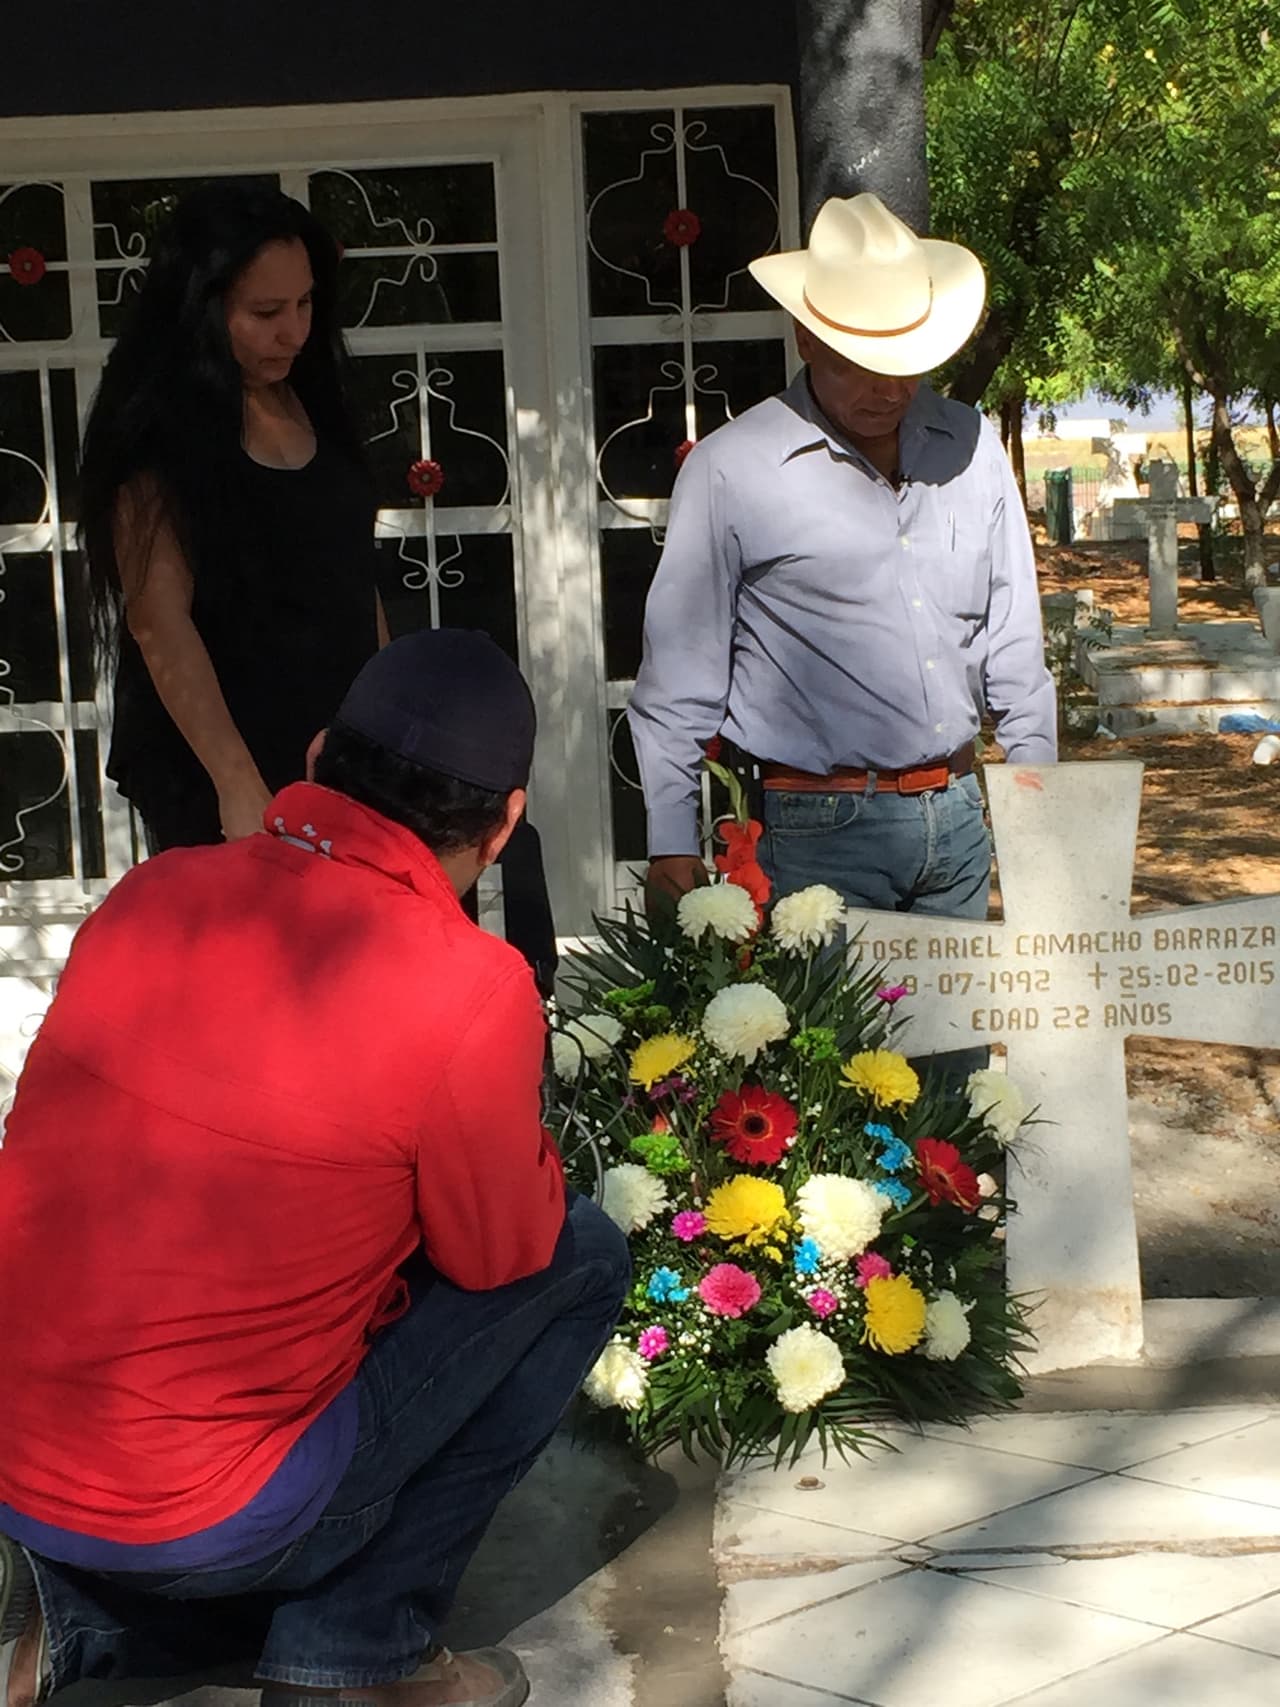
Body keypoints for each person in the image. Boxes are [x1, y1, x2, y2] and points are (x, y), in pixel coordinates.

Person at [0, 628, 630, 1707]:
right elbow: (498, 1257)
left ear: (318, 751)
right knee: (577, 1252)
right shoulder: (467, 989)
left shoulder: (155, 893)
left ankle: (75, 1617)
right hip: (209, 1517)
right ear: (506, 822)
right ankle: (358, 1650)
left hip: (23, 1471)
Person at [79, 178, 558, 994]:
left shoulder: (311, 401)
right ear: (201, 306)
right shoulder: (156, 436)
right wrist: (237, 786)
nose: (293, 331)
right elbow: (159, 622)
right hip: (227, 756)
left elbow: (350, 574)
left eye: (304, 305)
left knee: (372, 975)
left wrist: (395, 730)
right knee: (255, 989)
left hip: (341, 748)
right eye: (266, 313)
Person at [629, 192, 1057, 928]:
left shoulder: (971, 446)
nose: (888, 388)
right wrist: (670, 838)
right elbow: (679, 678)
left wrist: (1039, 813)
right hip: (813, 832)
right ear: (805, 337)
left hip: (957, 819)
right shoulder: (735, 470)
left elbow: (1014, 649)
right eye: (863, 362)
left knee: (956, 1047)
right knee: (837, 1048)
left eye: (907, 363)